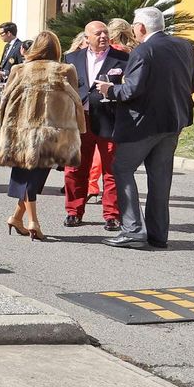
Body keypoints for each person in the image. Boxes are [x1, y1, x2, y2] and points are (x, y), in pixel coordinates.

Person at [94, 7, 194, 249]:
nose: (133, 29)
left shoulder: (144, 50)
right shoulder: (184, 47)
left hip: (142, 124)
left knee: (121, 168)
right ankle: (158, 234)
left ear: (141, 27)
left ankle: (132, 231)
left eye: (134, 25)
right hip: (174, 121)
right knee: (160, 178)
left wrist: (108, 90)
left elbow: (131, 90)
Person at [0, 31, 84, 242]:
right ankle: (33, 222)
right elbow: (76, 101)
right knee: (35, 178)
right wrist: (79, 128)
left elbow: (4, 101)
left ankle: (17, 218)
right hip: (52, 132)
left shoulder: (19, 69)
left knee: (25, 177)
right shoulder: (65, 69)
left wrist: (3, 129)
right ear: (56, 49)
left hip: (20, 132)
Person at [63, 20, 127, 230]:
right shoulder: (72, 59)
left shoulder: (122, 58)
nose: (103, 37)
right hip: (81, 120)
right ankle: (74, 211)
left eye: (105, 33)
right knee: (75, 167)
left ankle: (112, 215)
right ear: (86, 38)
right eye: (98, 33)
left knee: (112, 169)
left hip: (109, 119)